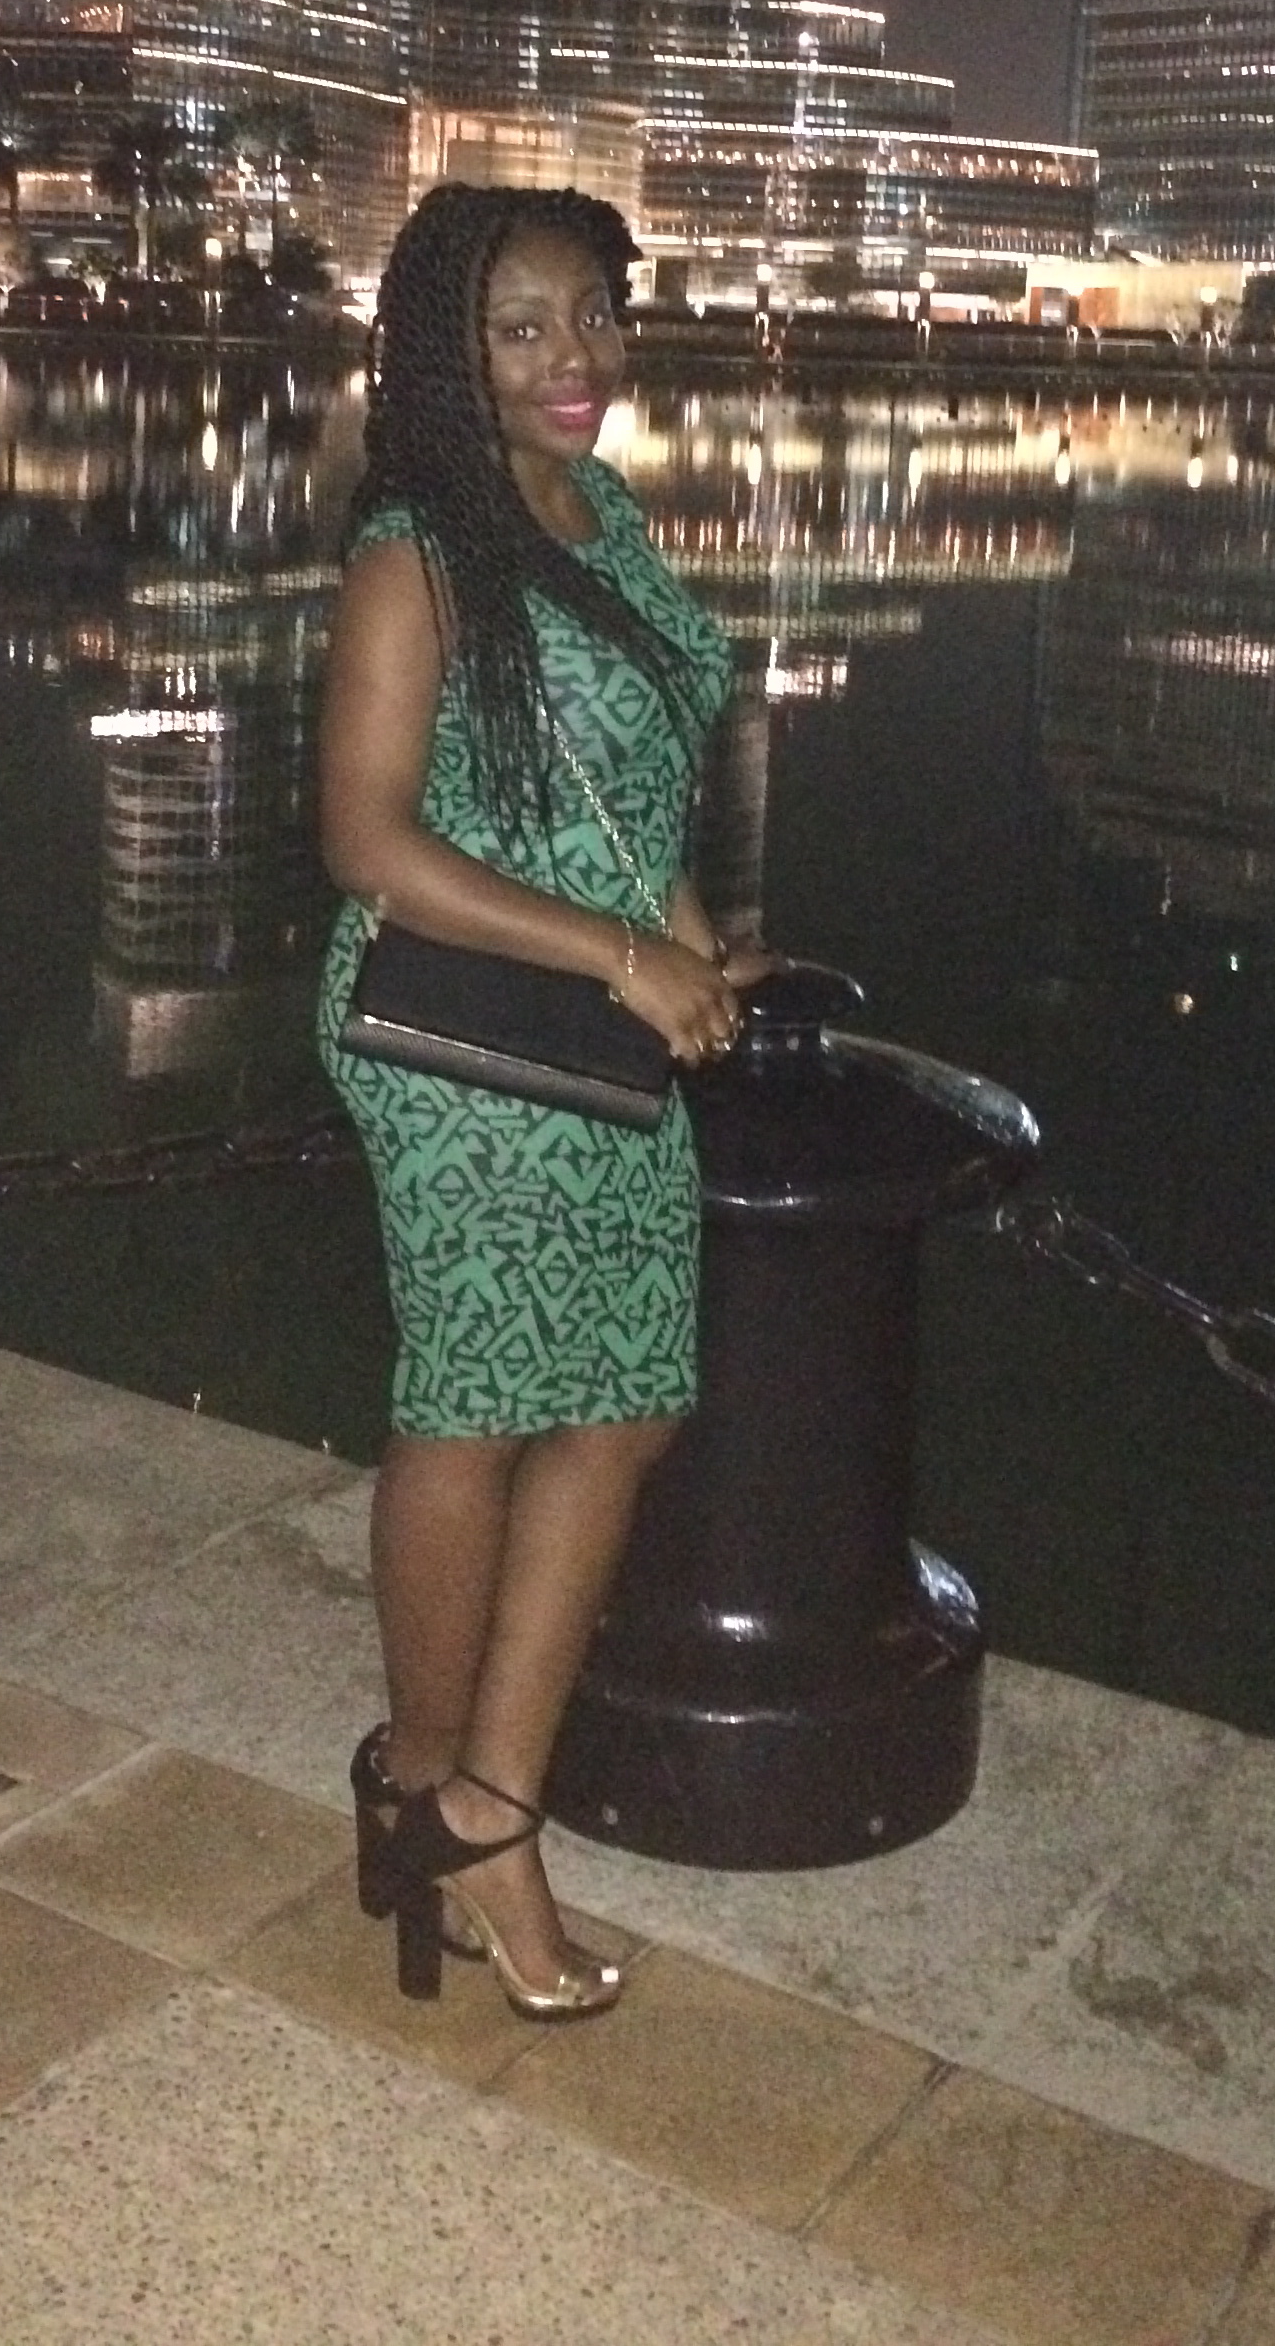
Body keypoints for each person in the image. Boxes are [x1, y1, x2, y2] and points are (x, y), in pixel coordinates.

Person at [317, 182, 773, 2017]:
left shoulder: (611, 516)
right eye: (521, 326)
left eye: (593, 313)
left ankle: (483, 1796)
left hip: (604, 1019)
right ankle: (442, 1792)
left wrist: (690, 939)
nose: (574, 356)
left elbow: (628, 784)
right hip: (461, 1041)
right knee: (479, 1406)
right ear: (449, 353)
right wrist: (619, 955)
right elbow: (368, 843)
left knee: (628, 1399)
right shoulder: (415, 553)